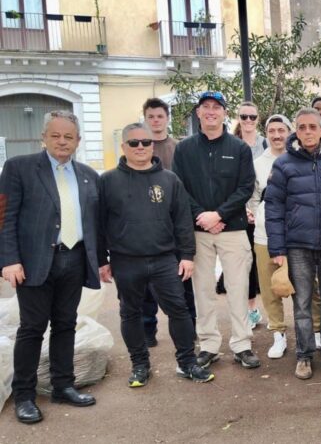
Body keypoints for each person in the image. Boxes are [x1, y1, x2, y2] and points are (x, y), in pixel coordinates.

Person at [1, 110, 100, 424]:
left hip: (74, 258)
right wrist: (8, 260)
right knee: (31, 329)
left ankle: (62, 385)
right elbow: (5, 217)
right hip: (33, 263)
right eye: (55, 135)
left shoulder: (88, 175)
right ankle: (25, 395)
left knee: (66, 324)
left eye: (68, 137)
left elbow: (96, 221)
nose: (62, 142)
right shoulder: (19, 168)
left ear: (78, 141)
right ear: (43, 137)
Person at [97, 123, 214, 387]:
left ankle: (187, 363)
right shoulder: (107, 181)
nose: (141, 147)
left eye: (146, 142)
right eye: (134, 143)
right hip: (125, 260)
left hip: (164, 259)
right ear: (124, 146)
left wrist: (187, 255)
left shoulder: (169, 179)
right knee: (130, 314)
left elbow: (183, 220)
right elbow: (98, 223)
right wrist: (101, 261)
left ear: (153, 144)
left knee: (180, 312)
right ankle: (140, 365)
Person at [171, 91, 260, 370]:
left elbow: (246, 187)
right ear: (198, 113)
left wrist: (220, 214)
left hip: (232, 228)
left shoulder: (239, 148)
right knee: (203, 290)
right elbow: (179, 187)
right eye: (205, 107)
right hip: (198, 231)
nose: (211, 111)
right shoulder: (184, 149)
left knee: (238, 288)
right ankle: (209, 344)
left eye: (216, 107)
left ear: (224, 113)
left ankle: (242, 344)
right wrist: (202, 216)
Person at [265, 107, 321, 380]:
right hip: (297, 246)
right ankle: (304, 355)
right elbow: (274, 207)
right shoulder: (283, 164)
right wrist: (277, 249)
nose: (307, 132)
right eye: (302, 127)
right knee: (301, 303)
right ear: (296, 130)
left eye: (312, 127)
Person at [248, 114, 321, 359]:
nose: (277, 135)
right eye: (272, 131)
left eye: (282, 130)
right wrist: (251, 212)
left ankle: (316, 331)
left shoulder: (301, 158)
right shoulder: (258, 163)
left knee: (308, 285)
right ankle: (278, 334)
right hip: (264, 235)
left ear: (290, 132)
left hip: (298, 234)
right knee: (271, 288)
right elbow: (251, 195)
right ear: (266, 133)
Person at [140, 97, 196, 348]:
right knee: (144, 287)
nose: (155, 121)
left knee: (182, 281)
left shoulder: (178, 148)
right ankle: (147, 330)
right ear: (145, 118)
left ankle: (190, 327)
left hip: (174, 225)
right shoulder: (138, 146)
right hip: (145, 228)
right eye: (151, 116)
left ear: (167, 118)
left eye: (160, 116)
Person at [234, 101, 266, 329]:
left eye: (252, 117)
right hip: (238, 212)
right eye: (244, 117)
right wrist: (241, 208)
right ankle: (250, 308)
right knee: (244, 263)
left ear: (258, 119)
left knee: (262, 261)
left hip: (264, 211)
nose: (248, 121)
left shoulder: (265, 144)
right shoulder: (232, 145)